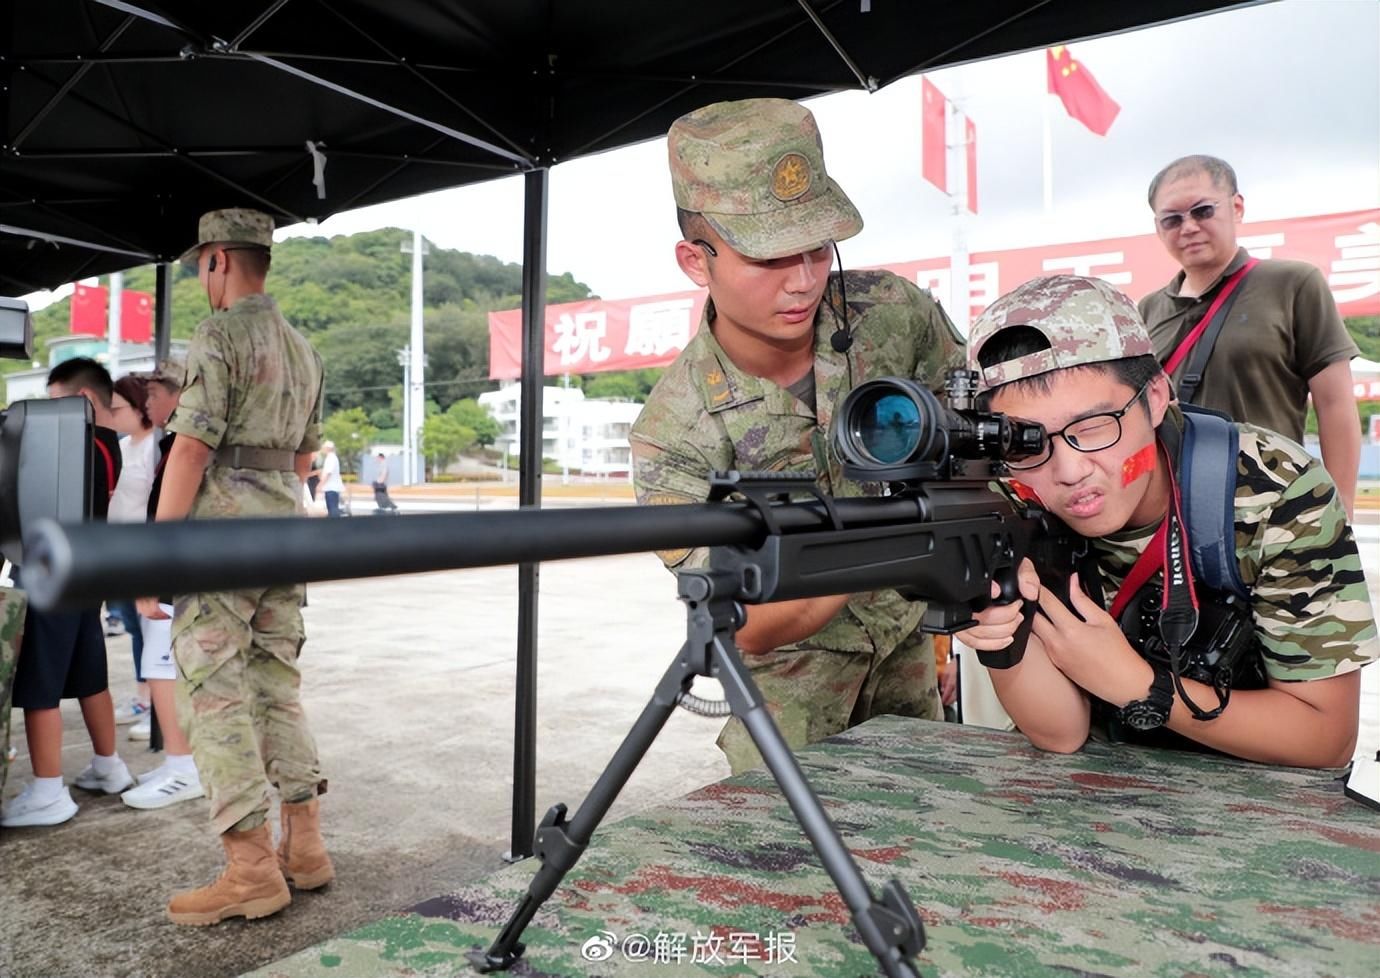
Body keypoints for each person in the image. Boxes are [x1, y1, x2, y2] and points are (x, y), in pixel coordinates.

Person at [629, 97, 965, 774]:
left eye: (817, 247)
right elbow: (749, 627)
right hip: (788, 704)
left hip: (911, 666)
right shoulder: (673, 435)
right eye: (770, 257)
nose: (805, 280)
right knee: (787, 870)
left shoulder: (892, 315)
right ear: (697, 262)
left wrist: (943, 616)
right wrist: (885, 544)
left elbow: (971, 437)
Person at [957, 274, 1377, 768]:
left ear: (1157, 397)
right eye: (1027, 443)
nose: (1068, 472)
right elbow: (1063, 734)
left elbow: (1325, 738)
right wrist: (1001, 635)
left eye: (1094, 428)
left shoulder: (1271, 491)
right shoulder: (1013, 501)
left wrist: (1138, 684)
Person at [143, 208, 331, 924]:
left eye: (201, 265)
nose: (201, 277)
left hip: (221, 541)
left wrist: (157, 550)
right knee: (278, 688)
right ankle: (305, 849)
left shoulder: (220, 334)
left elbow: (190, 448)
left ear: (219, 259)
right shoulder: (303, 347)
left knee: (212, 694)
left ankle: (250, 868)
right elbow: (306, 457)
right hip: (286, 534)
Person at [1138, 155, 1360, 517]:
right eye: (1172, 219)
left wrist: (1340, 508)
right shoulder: (1146, 310)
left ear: (1236, 207)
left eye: (1203, 211)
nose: (1188, 227)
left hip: (1275, 511)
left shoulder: (1294, 284)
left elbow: (1334, 403)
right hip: (1174, 514)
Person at [1, 358, 134, 828]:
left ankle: (47, 791)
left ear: (81, 401)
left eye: (52, 403)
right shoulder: (109, 445)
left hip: (49, 570)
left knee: (39, 686)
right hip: (86, 571)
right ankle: (109, 765)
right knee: (87, 674)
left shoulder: (74, 444)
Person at [121, 363, 205, 810]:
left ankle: (183, 767)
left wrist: (153, 573)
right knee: (159, 667)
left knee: (163, 667)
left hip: (177, 570)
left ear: (177, 394)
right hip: (175, 567)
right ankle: (178, 762)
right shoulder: (171, 442)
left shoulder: (186, 445)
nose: (146, 403)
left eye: (152, 394)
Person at [107, 374, 159, 739]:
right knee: (131, 623)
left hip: (147, 552)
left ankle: (155, 701)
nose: (112, 414)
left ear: (141, 406)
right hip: (120, 552)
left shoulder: (157, 446)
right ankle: (145, 696)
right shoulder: (123, 447)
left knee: (149, 629)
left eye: (117, 407)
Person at [318, 441, 344, 517]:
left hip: (331, 488)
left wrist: (320, 484)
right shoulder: (331, 458)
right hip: (331, 488)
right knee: (332, 509)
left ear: (328, 448)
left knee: (332, 510)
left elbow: (328, 473)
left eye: (324, 448)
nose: (323, 449)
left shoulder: (331, 458)